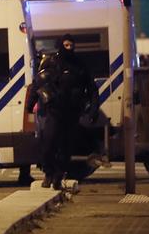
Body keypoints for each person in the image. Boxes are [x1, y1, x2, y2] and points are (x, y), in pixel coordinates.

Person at [28, 35, 98, 190]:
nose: (69, 48)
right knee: (48, 144)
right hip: (54, 111)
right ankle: (48, 172)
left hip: (72, 112)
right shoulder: (51, 62)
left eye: (71, 45)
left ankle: (58, 175)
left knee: (66, 148)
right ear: (60, 45)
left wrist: (93, 110)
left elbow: (92, 89)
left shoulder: (80, 65)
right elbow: (38, 83)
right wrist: (30, 103)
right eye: (66, 45)